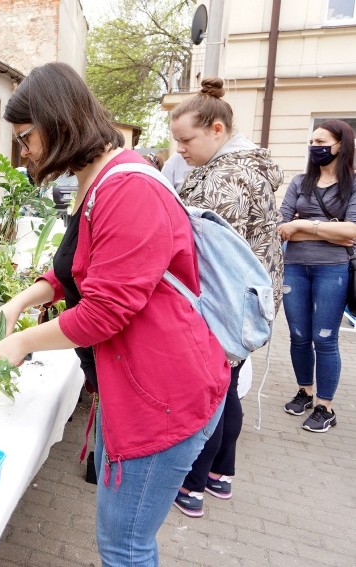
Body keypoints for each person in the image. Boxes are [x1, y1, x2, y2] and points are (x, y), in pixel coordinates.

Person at [0, 62, 229, 566]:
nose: (23, 151)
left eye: (26, 137)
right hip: (136, 385)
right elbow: (73, 271)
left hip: (164, 395)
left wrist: (22, 342)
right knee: (122, 539)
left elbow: (105, 311)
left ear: (58, 122)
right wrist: (17, 304)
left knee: (125, 544)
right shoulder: (99, 180)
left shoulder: (128, 188)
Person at [168, 77, 285, 518]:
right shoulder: (247, 166)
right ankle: (221, 474)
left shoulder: (225, 177)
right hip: (250, 301)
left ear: (217, 130)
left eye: (186, 139)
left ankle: (193, 483)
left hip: (226, 305)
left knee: (212, 394)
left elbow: (212, 255)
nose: (180, 149)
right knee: (229, 388)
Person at [277, 119, 356, 432]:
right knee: (298, 336)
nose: (315, 147)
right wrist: (326, 230)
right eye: (311, 142)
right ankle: (304, 392)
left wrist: (301, 225)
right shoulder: (299, 182)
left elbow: (351, 233)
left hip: (332, 270)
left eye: (321, 141)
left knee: (324, 338)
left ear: (340, 144)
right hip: (295, 268)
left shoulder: (352, 184)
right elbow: (280, 228)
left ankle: (326, 406)